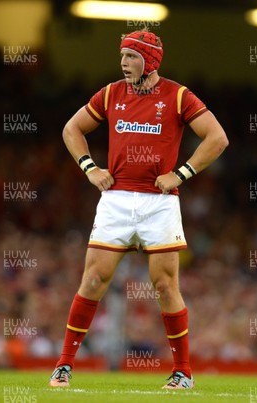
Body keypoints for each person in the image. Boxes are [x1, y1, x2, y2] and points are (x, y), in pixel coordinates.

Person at [49, 29, 228, 390]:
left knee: (164, 285)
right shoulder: (111, 93)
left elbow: (217, 138)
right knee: (94, 280)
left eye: (130, 56)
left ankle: (183, 373)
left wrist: (181, 173)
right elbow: (72, 129)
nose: (123, 63)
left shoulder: (177, 96)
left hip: (159, 203)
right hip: (116, 199)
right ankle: (64, 366)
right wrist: (89, 167)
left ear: (150, 60)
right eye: (122, 56)